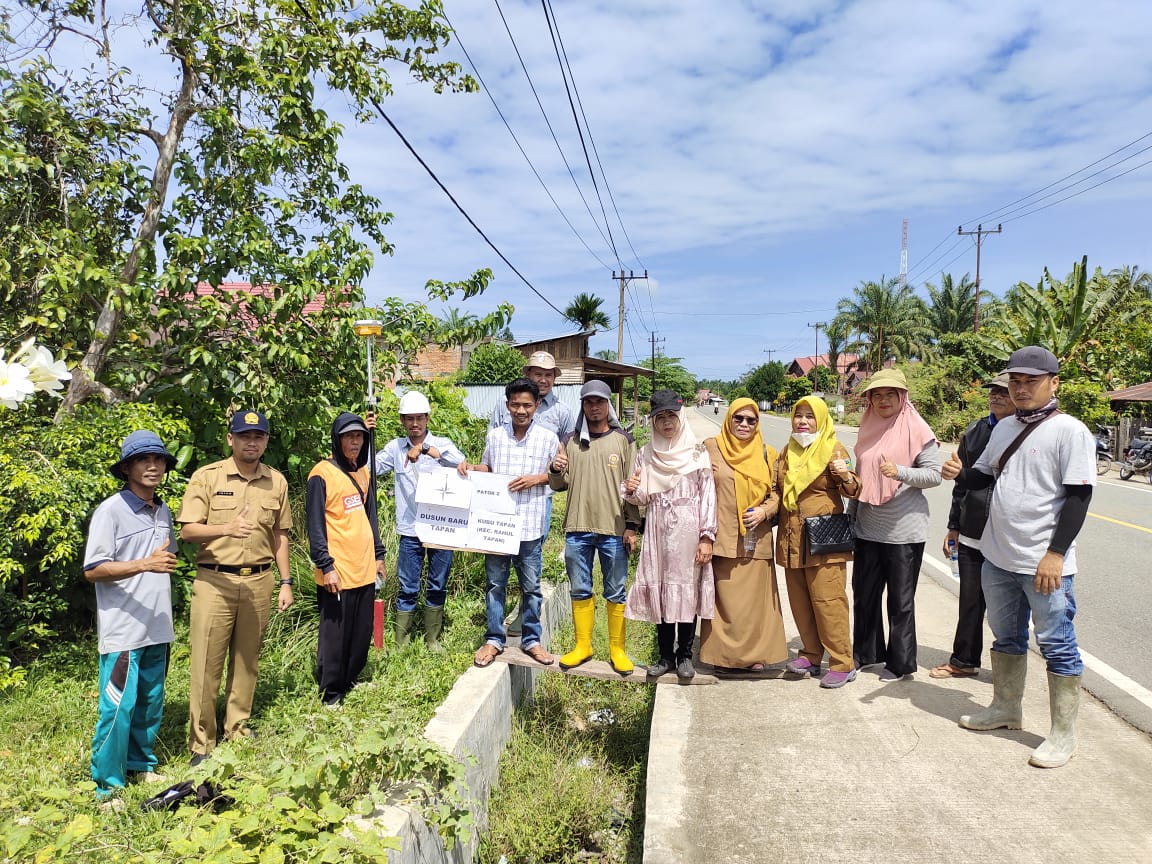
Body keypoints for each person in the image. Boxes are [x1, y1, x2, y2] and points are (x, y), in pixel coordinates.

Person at [942, 346, 1095, 768]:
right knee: (1006, 637)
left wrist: (1055, 554)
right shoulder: (1005, 427)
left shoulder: (1070, 431)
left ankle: (1063, 735)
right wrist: (960, 473)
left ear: (1054, 383)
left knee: (1057, 644)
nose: (1021, 387)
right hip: (998, 556)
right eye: (1015, 380)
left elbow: (1079, 497)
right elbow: (984, 474)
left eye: (1030, 380)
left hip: (1044, 562)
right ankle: (1006, 708)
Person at [178, 410, 293, 765]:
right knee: (206, 664)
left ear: (266, 442)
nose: (252, 442)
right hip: (215, 580)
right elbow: (188, 530)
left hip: (259, 580)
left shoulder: (276, 482)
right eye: (245, 436)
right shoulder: (207, 477)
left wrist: (285, 581)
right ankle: (202, 743)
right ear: (231, 439)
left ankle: (237, 728)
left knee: (247, 661)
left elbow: (281, 535)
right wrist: (225, 528)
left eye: (258, 437)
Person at [84, 431, 179, 798]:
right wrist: (145, 564)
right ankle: (107, 782)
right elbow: (93, 569)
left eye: (159, 460)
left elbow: (163, 563)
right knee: (118, 707)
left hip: (158, 625)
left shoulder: (163, 509)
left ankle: (140, 764)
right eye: (143, 460)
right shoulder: (111, 511)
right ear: (127, 468)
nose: (153, 466)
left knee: (150, 702)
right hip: (123, 628)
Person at [850, 369, 942, 682]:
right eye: (877, 394)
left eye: (891, 394)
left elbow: (934, 475)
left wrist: (900, 472)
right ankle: (866, 653)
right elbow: (862, 478)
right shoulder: (867, 426)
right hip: (868, 527)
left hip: (904, 531)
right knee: (864, 594)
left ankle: (900, 663)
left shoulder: (917, 427)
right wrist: (852, 515)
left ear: (902, 397)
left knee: (900, 602)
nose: (884, 400)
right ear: (869, 399)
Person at [547, 379, 641, 674]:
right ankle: (583, 645)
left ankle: (617, 649)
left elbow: (633, 489)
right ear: (582, 406)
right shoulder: (571, 442)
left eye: (599, 401)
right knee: (580, 588)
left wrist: (632, 525)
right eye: (588, 402)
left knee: (615, 590)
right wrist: (554, 470)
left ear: (608, 404)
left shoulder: (623, 441)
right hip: (578, 527)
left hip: (613, 529)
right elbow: (559, 485)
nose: (594, 407)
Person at [464, 378, 559, 668]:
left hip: (530, 524)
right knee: (495, 584)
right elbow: (487, 469)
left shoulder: (548, 439)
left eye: (527, 405)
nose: (521, 410)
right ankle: (494, 639)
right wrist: (470, 469)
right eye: (515, 404)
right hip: (497, 526)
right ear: (507, 405)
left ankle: (532, 641)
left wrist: (538, 478)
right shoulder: (495, 436)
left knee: (531, 587)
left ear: (537, 406)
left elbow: (558, 476)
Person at [623, 390, 717, 680]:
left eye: (671, 416)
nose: (666, 423)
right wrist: (630, 488)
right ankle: (665, 655)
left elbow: (707, 496)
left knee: (686, 591)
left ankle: (685, 655)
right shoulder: (646, 453)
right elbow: (640, 498)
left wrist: (706, 537)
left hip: (689, 531)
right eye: (659, 417)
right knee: (663, 592)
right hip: (658, 530)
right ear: (652, 421)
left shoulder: (697, 452)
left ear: (681, 417)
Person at [930, 372, 1014, 680]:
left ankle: (1009, 669)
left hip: (1008, 535)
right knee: (970, 600)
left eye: (1004, 392)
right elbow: (960, 484)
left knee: (1008, 610)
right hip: (973, 532)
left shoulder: (1028, 432)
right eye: (994, 391)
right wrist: (954, 525)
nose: (996, 396)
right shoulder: (976, 430)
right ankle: (963, 661)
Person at [774, 396, 861, 688]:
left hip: (824, 537)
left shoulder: (833, 448)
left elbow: (853, 489)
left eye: (810, 416)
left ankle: (842, 662)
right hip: (792, 537)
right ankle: (811, 655)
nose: (802, 421)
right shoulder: (787, 451)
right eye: (798, 415)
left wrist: (845, 475)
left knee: (829, 601)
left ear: (821, 420)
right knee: (800, 602)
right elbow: (776, 488)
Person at [698, 398, 787, 673]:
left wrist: (764, 511)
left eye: (751, 420)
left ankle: (753, 657)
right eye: (739, 418)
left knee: (752, 605)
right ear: (729, 419)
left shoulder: (767, 453)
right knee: (724, 603)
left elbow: (778, 494)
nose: (744, 424)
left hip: (755, 537)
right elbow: (695, 485)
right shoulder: (711, 447)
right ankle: (723, 658)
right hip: (722, 536)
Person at [306, 412, 387, 706]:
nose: (354, 442)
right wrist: (325, 566)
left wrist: (378, 555)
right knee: (335, 636)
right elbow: (314, 526)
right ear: (337, 440)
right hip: (337, 572)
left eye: (359, 437)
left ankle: (350, 680)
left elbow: (371, 518)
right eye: (348, 436)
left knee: (360, 632)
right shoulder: (321, 474)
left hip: (364, 568)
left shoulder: (362, 473)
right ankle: (331, 693)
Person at [490, 351, 574, 635]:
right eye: (538, 374)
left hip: (536, 504)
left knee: (530, 569)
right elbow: (490, 461)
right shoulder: (498, 428)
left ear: (536, 405)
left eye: (548, 374)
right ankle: (496, 632)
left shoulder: (560, 415)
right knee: (498, 577)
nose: (522, 410)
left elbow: (561, 466)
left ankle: (528, 632)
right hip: (500, 511)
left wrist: (545, 474)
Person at [375, 390, 465, 652]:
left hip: (440, 529)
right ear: (402, 421)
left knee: (438, 584)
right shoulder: (394, 449)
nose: (415, 423)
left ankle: (432, 639)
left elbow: (463, 465)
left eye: (420, 418)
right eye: (409, 418)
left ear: (427, 418)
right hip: (410, 530)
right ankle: (401, 642)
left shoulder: (443, 444)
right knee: (408, 586)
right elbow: (371, 467)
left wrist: (426, 450)